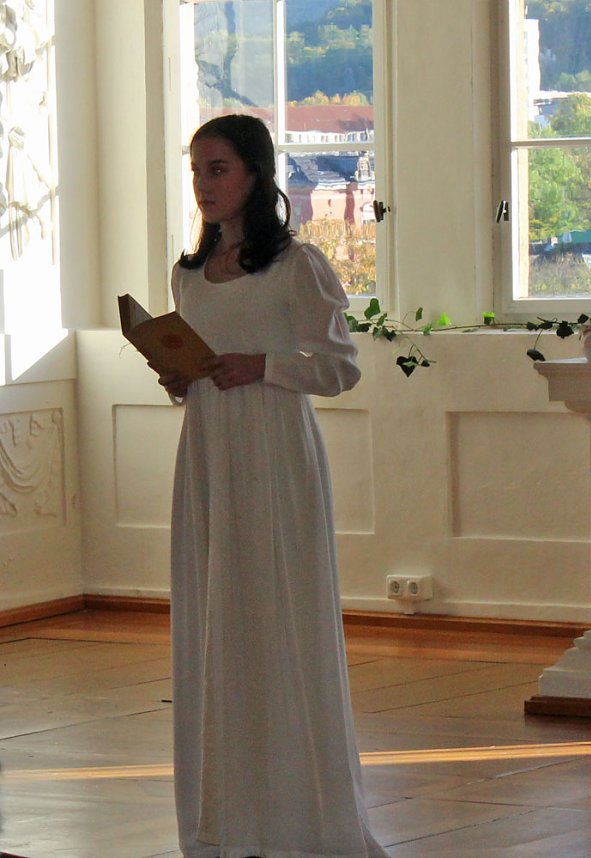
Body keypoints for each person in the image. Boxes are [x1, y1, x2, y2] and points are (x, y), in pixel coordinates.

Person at [159, 113, 389, 858]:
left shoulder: (298, 267)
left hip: (274, 452)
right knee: (216, 618)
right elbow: (198, 366)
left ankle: (298, 817)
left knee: (278, 613)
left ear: (254, 175)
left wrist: (264, 365)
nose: (204, 185)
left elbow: (338, 366)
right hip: (209, 452)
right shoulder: (186, 274)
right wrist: (178, 375)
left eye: (218, 169)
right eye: (196, 171)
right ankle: (228, 819)